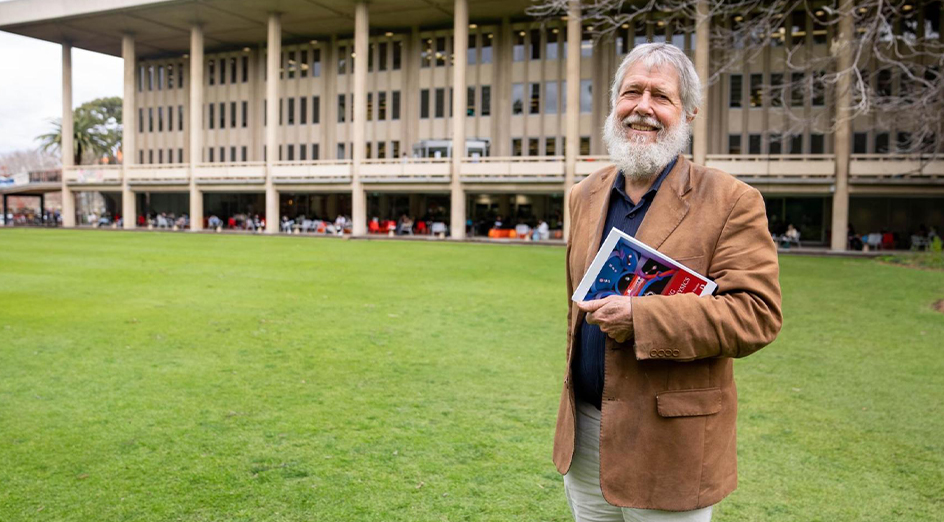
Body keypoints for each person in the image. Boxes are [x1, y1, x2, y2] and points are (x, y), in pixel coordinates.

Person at [558, 43, 782, 521]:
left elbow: (757, 315)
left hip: (671, 448)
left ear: (689, 113)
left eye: (661, 96)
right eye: (631, 92)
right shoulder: (584, 195)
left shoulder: (731, 201)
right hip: (586, 435)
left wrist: (643, 317)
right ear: (615, 103)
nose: (642, 107)